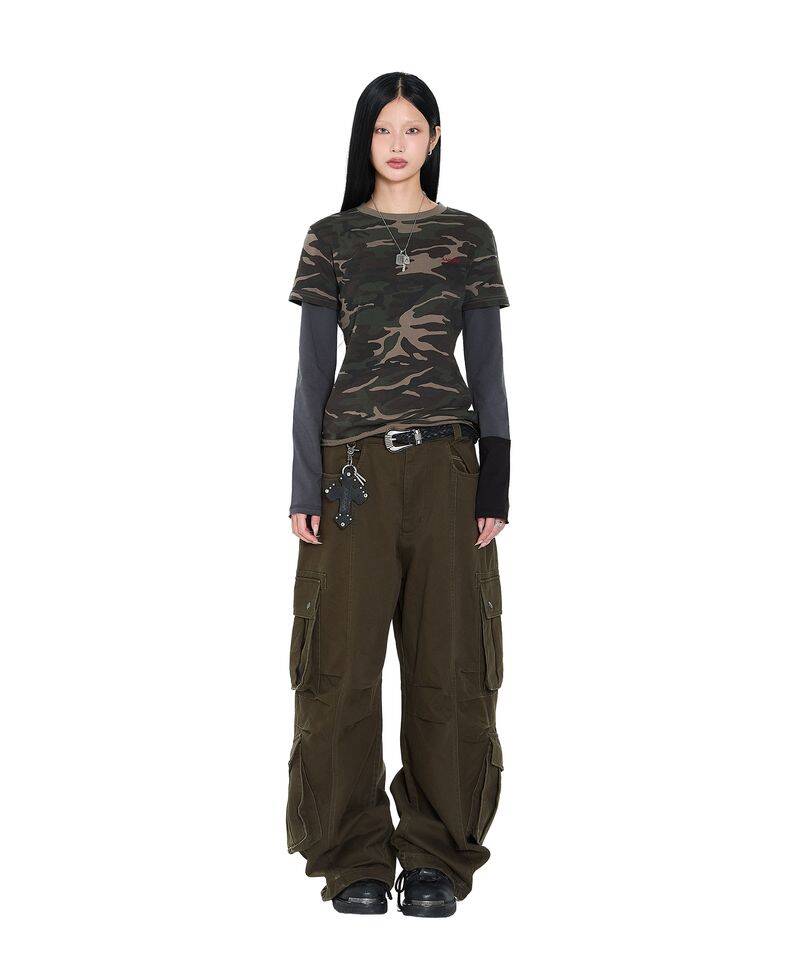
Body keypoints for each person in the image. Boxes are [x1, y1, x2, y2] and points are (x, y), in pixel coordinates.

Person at [285, 72, 510, 918]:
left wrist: (496, 482)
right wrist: (303, 485)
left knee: (451, 668)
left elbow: (488, 368)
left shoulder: (468, 237)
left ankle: (436, 858)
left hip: (450, 470)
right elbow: (313, 374)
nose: (398, 144)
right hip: (352, 474)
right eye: (383, 129)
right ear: (365, 139)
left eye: (413, 129)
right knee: (340, 670)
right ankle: (354, 860)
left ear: (435, 139)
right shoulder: (332, 239)